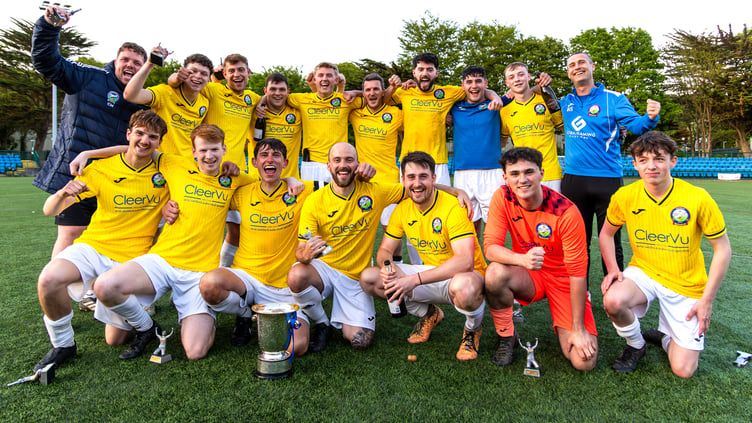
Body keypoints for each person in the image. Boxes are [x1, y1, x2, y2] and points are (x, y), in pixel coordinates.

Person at [92, 124, 255, 361]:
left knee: (195, 352)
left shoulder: (235, 178)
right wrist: (87, 154)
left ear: (224, 149)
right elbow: (133, 151)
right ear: (193, 152)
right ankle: (147, 327)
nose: (209, 156)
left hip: (198, 273)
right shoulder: (173, 164)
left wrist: (291, 179)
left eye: (214, 150)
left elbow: (267, 184)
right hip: (163, 260)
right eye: (203, 150)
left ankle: (216, 314)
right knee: (108, 303)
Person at [32, 110, 168, 372]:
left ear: (160, 142)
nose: (144, 141)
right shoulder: (103, 168)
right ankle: (63, 345)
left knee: (114, 340)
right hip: (94, 246)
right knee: (49, 279)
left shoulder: (166, 167)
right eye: (139, 133)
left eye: (152, 137)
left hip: (131, 259)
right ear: (128, 134)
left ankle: (143, 324)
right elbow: (49, 210)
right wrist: (63, 192)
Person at [31, 5, 147, 310]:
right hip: (77, 172)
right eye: (126, 60)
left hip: (119, 179)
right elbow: (47, 61)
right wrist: (48, 26)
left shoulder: (143, 99)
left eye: (138, 62)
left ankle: (105, 292)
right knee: (71, 233)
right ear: (115, 60)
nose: (131, 66)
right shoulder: (88, 77)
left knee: (114, 235)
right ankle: (65, 294)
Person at [599, 131, 731, 377]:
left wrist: (707, 300)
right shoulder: (625, 196)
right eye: (644, 159)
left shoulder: (697, 197)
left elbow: (723, 248)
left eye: (659, 158)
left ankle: (665, 338)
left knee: (684, 370)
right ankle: (636, 345)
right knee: (613, 300)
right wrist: (614, 270)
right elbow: (606, 234)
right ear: (635, 164)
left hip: (686, 284)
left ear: (673, 161)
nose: (651, 166)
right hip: (645, 272)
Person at [360, 151, 487, 361]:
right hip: (431, 273)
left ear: (434, 179)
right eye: (411, 177)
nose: (416, 183)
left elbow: (465, 261)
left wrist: (414, 279)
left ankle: (472, 329)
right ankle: (430, 314)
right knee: (370, 278)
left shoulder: (454, 206)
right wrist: (388, 268)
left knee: (465, 289)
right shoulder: (401, 210)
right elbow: (384, 250)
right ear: (402, 180)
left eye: (423, 176)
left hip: (465, 276)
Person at [483, 147, 598, 371]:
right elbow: (491, 248)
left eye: (529, 172)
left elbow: (577, 273)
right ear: (505, 178)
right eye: (514, 174)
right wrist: (522, 260)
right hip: (529, 273)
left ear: (542, 173)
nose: (522, 180)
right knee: (495, 273)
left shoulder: (566, 212)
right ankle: (507, 336)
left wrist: (578, 329)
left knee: (583, 362)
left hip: (563, 278)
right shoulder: (502, 196)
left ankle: (582, 310)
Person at [197, 138, 313, 355]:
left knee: (297, 347)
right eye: (264, 155)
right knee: (209, 284)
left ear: (286, 162)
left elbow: (335, 193)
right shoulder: (242, 191)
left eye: (276, 155)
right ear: (254, 162)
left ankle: (265, 316)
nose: (270, 160)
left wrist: (290, 179)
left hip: (284, 287)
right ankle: (244, 314)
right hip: (247, 279)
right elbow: (204, 190)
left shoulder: (303, 192)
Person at [287, 142, 401, 352]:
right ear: (328, 166)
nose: (343, 165)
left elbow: (415, 189)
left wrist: (455, 192)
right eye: (337, 160)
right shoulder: (314, 201)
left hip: (356, 277)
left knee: (360, 341)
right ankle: (322, 322)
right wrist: (306, 254)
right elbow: (301, 250)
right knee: (296, 275)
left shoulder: (374, 191)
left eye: (349, 160)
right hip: (326, 269)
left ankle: (342, 313)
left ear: (357, 164)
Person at [559, 52, 661, 277]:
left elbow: (636, 126)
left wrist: (650, 117)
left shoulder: (613, 99)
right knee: (576, 243)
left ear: (592, 66)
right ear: (568, 72)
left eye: (582, 63)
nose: (577, 67)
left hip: (608, 180)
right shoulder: (565, 103)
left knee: (612, 242)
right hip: (574, 180)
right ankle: (580, 294)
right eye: (572, 65)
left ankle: (615, 292)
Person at [168, 54, 262, 267]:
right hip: (207, 171)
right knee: (195, 226)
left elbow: (273, 99)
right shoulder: (213, 89)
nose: (237, 75)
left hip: (235, 175)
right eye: (232, 71)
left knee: (236, 231)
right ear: (224, 73)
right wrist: (177, 77)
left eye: (241, 70)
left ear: (248, 72)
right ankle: (181, 271)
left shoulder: (253, 99)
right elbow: (181, 82)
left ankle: (223, 272)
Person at [387, 53, 502, 185]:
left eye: (429, 70)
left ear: (436, 73)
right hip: (409, 160)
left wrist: (495, 97)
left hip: (438, 162)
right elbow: (383, 100)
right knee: (410, 202)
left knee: (443, 203)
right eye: (421, 69)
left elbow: (475, 89)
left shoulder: (448, 92)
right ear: (414, 73)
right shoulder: (404, 91)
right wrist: (393, 86)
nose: (425, 73)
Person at [348, 73, 406, 263]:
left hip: (389, 180)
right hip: (362, 181)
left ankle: (396, 271)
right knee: (361, 230)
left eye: (376, 89)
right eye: (367, 90)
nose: (372, 93)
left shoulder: (396, 114)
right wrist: (355, 92)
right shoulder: (355, 113)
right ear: (363, 93)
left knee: (391, 231)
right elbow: (337, 99)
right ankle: (364, 268)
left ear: (383, 92)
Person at [450, 65, 510, 235]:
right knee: (469, 224)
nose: (474, 86)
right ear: (463, 85)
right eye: (469, 82)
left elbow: (519, 92)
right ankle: (474, 262)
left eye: (478, 81)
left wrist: (495, 95)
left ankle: (494, 260)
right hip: (463, 173)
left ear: (485, 83)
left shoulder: (497, 104)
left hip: (492, 172)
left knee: (493, 224)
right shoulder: (454, 107)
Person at [124, 45, 212, 158]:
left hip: (185, 165)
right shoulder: (164, 92)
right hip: (158, 161)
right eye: (193, 71)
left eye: (203, 74)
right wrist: (150, 64)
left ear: (209, 80)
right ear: (183, 72)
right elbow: (131, 95)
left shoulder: (205, 102)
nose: (197, 76)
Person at [286, 62, 359, 184]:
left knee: (339, 202)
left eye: (329, 75)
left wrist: (356, 92)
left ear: (336, 80)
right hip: (311, 165)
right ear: (314, 79)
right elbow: (275, 96)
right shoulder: (301, 100)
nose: (325, 78)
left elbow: (372, 95)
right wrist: (261, 104)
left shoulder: (345, 100)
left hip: (338, 164)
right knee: (312, 202)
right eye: (321, 75)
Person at [501, 62, 564, 192]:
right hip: (522, 177)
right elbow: (502, 142)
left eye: (520, 75)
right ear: (507, 83)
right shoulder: (504, 111)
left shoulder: (546, 100)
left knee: (554, 212)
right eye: (512, 77)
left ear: (528, 76)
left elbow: (565, 128)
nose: (517, 79)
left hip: (550, 174)